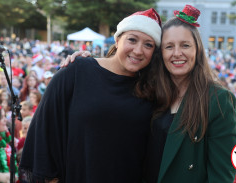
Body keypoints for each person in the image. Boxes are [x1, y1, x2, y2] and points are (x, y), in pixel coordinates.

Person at [63, 5, 236, 183]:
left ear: (198, 50)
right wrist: (89, 61)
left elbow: (222, 176)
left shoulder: (218, 99)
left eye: (185, 45)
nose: (177, 53)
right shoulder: (149, 89)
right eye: (169, 46)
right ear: (160, 53)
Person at [19, 8, 162, 183]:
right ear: (117, 40)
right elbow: (45, 129)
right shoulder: (77, 70)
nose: (139, 50)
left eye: (148, 44)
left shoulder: (153, 89)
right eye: (132, 40)